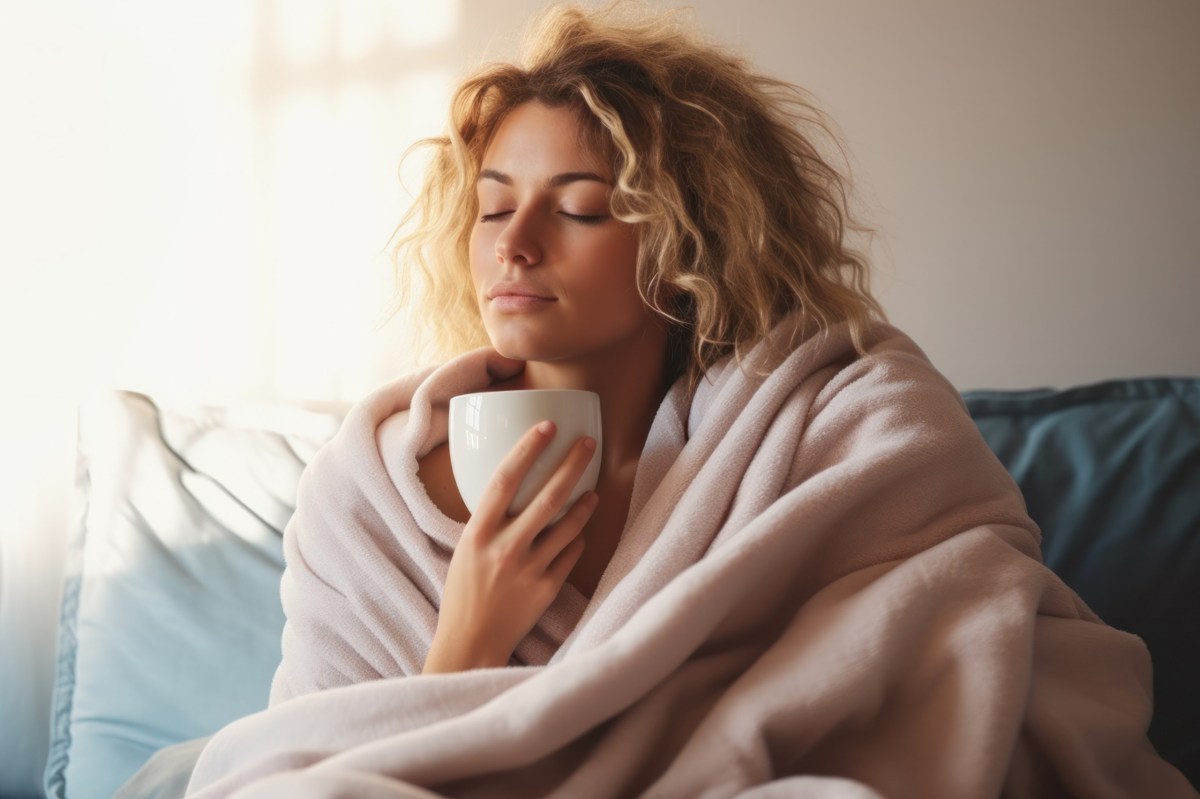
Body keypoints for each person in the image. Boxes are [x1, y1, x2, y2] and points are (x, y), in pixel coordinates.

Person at [182, 4, 1195, 797]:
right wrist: (470, 642)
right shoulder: (372, 492)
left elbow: (981, 660)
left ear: (685, 242)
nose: (515, 242)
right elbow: (308, 768)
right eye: (492, 203)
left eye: (578, 206)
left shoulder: (840, 423)